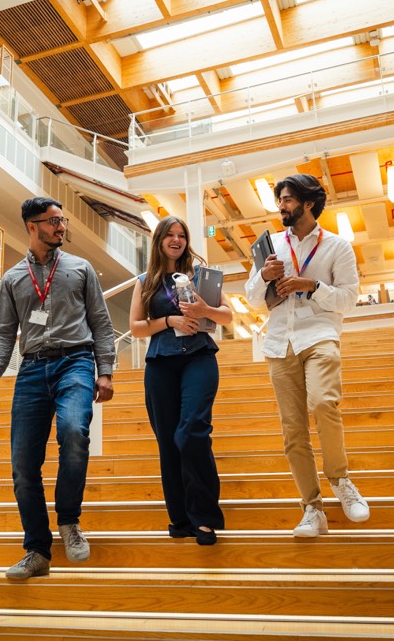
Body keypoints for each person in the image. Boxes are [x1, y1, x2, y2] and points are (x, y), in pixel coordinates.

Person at [0, 197, 116, 580]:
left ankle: (69, 521)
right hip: (32, 370)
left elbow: (102, 323)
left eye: (62, 220)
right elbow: (3, 332)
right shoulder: (13, 278)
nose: (61, 227)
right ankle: (37, 550)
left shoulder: (80, 268)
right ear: (32, 225)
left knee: (74, 431)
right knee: (23, 465)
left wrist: (104, 371)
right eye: (54, 221)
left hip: (75, 361)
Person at [244, 174, 370, 538]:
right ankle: (312, 508)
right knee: (292, 430)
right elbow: (254, 300)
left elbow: (348, 299)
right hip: (279, 341)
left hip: (319, 334)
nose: (280, 206)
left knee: (324, 403)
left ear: (308, 203)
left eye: (285, 200)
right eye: (280, 200)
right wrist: (262, 276)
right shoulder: (270, 245)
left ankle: (342, 481)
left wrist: (311, 286)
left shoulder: (337, 246)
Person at [128, 217, 232, 546]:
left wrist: (205, 309)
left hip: (199, 357)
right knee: (168, 444)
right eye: (170, 235)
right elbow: (136, 326)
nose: (176, 240)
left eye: (182, 236)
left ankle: (204, 518)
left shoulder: (203, 276)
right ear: (159, 241)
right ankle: (180, 519)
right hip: (161, 364)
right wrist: (169, 319)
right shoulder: (145, 281)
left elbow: (228, 316)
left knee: (192, 431)